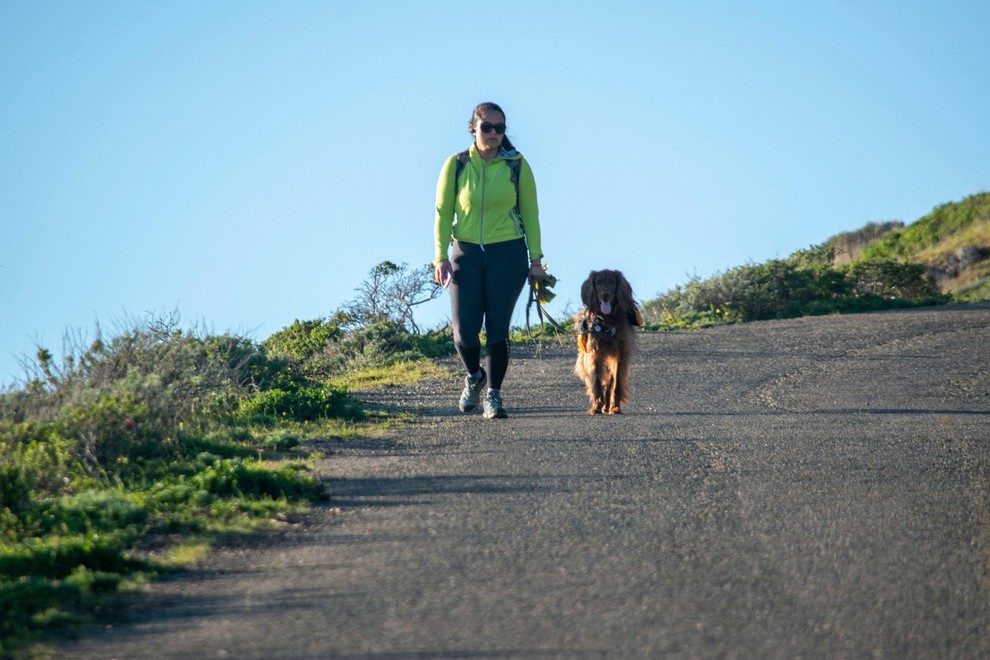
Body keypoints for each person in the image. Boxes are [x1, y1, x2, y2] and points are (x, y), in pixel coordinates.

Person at [434, 101, 545, 419]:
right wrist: (440, 256)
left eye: (500, 128)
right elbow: (443, 213)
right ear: (473, 128)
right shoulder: (456, 165)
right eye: (487, 127)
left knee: (497, 329)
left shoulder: (517, 165)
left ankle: (493, 397)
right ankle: (474, 377)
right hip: (465, 255)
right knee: (463, 331)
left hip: (507, 254)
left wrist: (535, 260)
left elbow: (530, 214)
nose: (494, 133)